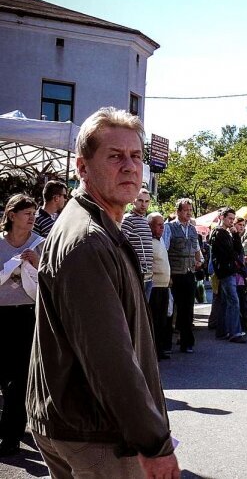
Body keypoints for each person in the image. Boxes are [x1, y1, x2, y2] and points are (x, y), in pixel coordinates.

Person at [27, 107, 179, 478]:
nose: (129, 166)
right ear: (82, 167)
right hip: (97, 431)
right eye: (115, 156)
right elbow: (110, 359)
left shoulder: (95, 225)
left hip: (80, 421)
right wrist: (153, 442)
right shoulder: (88, 240)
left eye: (136, 156)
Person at [0, 194, 42, 457]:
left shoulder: (40, 244)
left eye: (34, 213)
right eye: (27, 213)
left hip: (26, 315)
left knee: (19, 377)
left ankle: (12, 435)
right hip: (0, 315)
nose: (32, 218)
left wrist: (37, 264)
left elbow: (52, 277)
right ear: (12, 215)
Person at [166, 198, 203, 354]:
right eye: (186, 210)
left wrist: (200, 260)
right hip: (174, 273)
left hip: (189, 272)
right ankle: (165, 342)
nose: (189, 213)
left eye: (190, 210)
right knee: (169, 309)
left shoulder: (193, 229)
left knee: (187, 308)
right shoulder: (170, 228)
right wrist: (167, 275)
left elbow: (196, 248)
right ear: (178, 211)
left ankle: (186, 341)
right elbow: (164, 250)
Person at [210, 208, 247, 343]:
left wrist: (236, 235)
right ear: (222, 217)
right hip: (225, 271)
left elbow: (239, 250)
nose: (232, 221)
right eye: (230, 218)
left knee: (225, 302)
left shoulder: (228, 233)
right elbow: (231, 252)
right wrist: (234, 238)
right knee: (233, 301)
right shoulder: (218, 233)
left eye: (233, 218)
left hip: (228, 270)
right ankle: (235, 332)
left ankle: (222, 331)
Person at [147, 212, 171, 361]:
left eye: (163, 225)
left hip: (164, 286)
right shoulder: (148, 241)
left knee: (162, 320)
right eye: (159, 225)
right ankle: (153, 351)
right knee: (154, 320)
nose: (162, 228)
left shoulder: (160, 240)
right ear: (150, 226)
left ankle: (160, 349)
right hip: (154, 286)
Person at [122, 188, 154, 298]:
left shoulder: (145, 221)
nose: (143, 204)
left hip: (147, 274)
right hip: (135, 273)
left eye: (146, 201)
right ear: (133, 201)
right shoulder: (128, 219)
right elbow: (121, 244)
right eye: (140, 200)